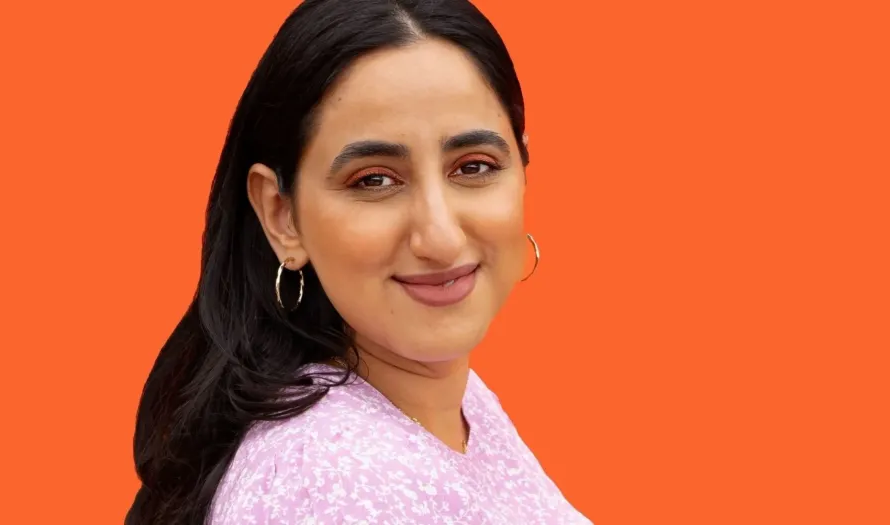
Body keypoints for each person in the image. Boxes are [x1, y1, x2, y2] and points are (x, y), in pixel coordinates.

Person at [126, 0, 592, 523]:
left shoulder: (450, 405)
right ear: (282, 215)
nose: (439, 238)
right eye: (374, 179)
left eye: (474, 167)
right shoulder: (335, 479)